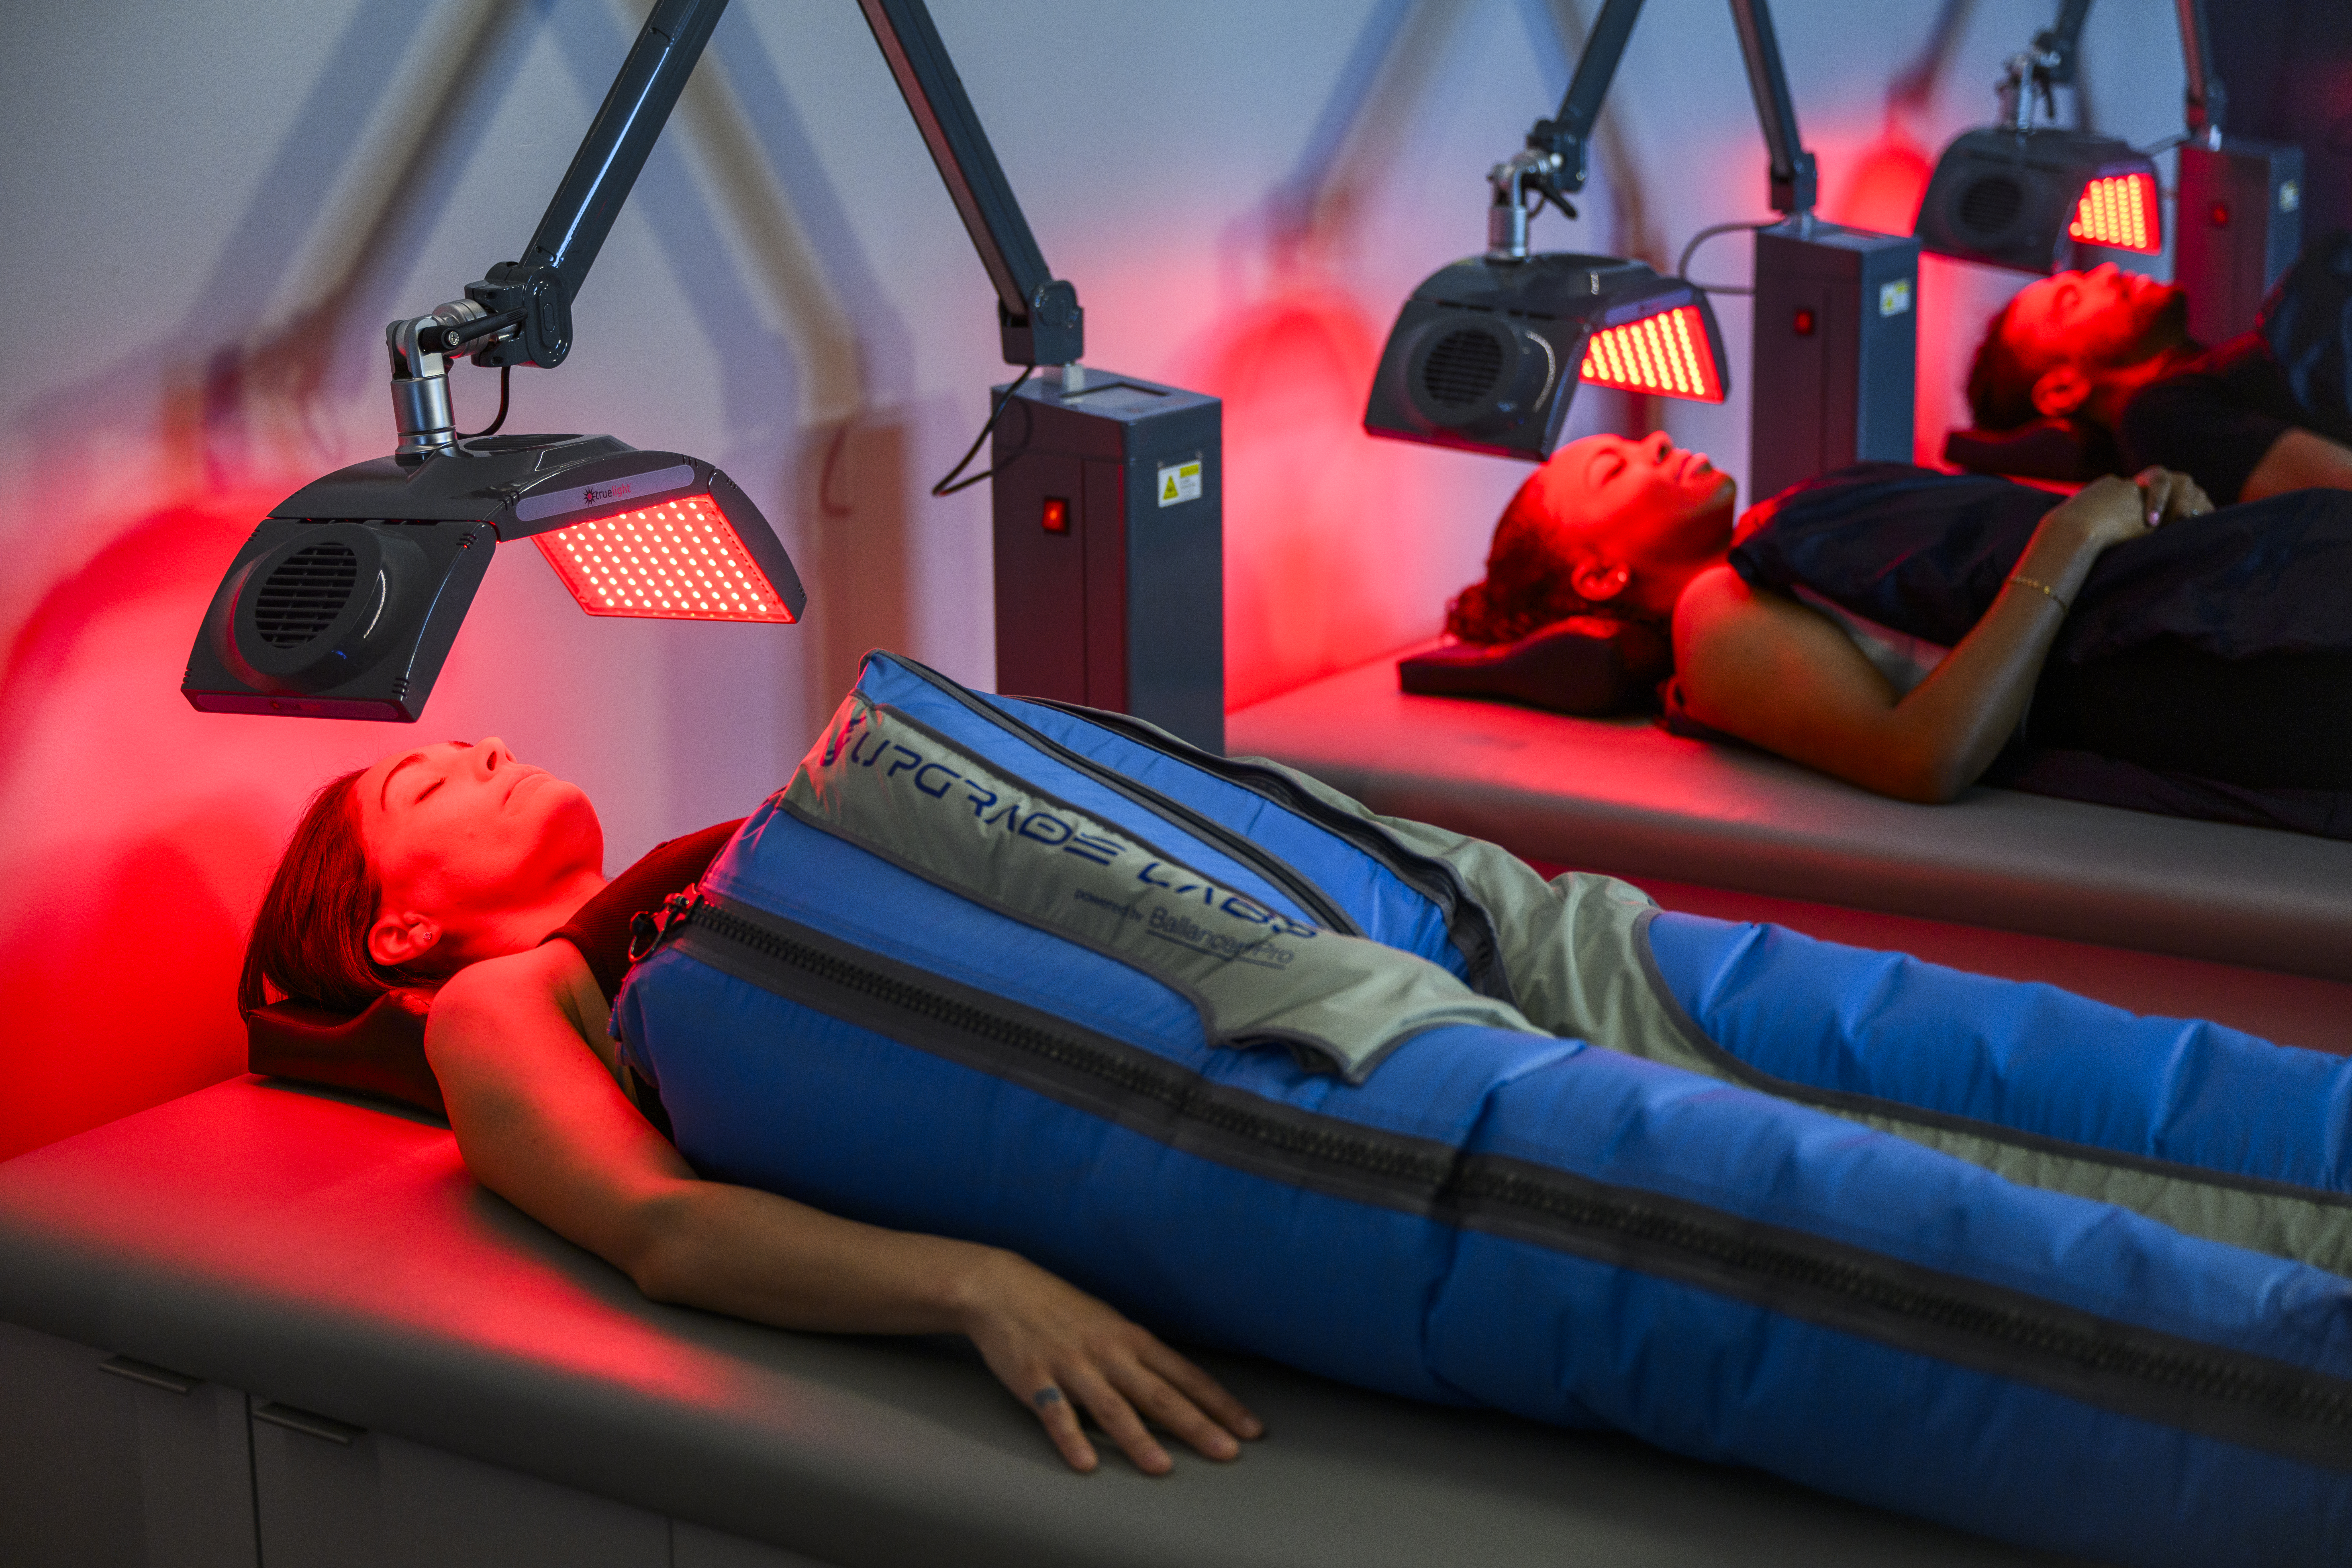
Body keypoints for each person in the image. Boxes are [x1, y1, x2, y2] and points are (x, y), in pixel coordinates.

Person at [1444, 430, 2352, 827]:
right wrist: (2073, 534)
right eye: (1616, 468)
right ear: (1601, 574)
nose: (1654, 443)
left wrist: (2155, 508)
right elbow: (1922, 758)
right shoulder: (1710, 616)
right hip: (2221, 651)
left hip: (2225, 586)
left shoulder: (1782, 533)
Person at [1967, 261, 2352, 505]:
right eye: (2072, 300)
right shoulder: (2158, 421)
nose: (2107, 272)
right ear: (2063, 390)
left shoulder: (2205, 377)